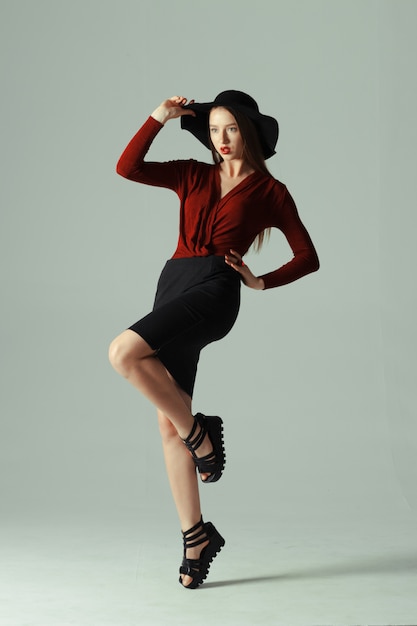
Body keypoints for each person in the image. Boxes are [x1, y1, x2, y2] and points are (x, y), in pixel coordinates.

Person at [109, 90, 319, 589]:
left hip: (215, 290)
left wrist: (260, 280)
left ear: (248, 132)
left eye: (231, 129)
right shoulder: (191, 173)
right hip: (173, 285)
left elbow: (307, 256)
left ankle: (201, 434)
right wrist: (159, 116)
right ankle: (196, 535)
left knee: (123, 352)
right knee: (167, 425)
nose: (222, 139)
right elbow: (127, 167)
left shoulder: (271, 191)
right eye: (215, 129)